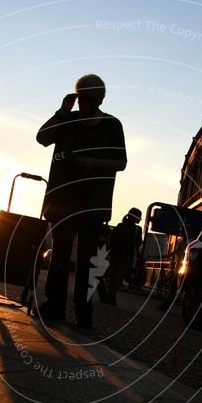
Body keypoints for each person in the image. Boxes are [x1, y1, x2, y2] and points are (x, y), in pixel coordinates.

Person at [35, 74, 127, 327]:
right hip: (62, 199)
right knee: (59, 255)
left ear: (100, 99)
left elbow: (121, 162)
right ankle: (54, 304)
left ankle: (83, 310)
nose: (84, 105)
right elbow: (42, 138)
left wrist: (93, 163)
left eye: (90, 100)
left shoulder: (112, 125)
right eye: (80, 99)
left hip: (93, 203)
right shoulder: (67, 120)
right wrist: (63, 110)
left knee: (88, 259)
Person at [100, 207, 142, 305]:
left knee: (113, 278)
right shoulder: (137, 229)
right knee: (117, 279)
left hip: (115, 255)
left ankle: (110, 297)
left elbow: (112, 241)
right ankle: (109, 298)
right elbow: (137, 244)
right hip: (126, 257)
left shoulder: (119, 226)